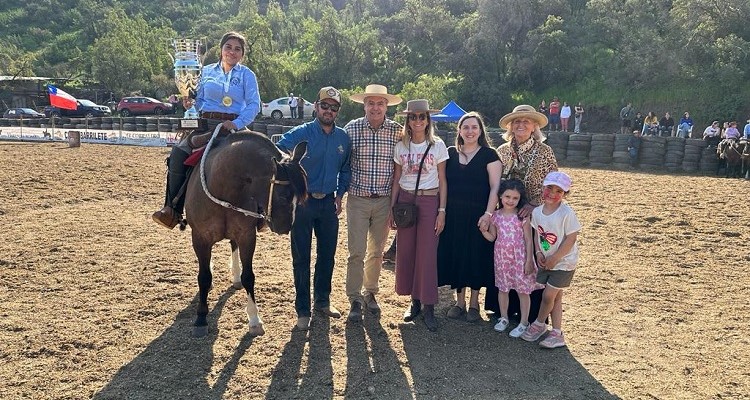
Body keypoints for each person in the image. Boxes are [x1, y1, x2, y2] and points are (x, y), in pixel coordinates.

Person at [152, 31, 261, 229]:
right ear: (221, 49)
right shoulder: (206, 72)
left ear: (242, 54)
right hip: (205, 124)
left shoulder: (247, 75)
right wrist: (190, 103)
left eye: (237, 49)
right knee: (177, 154)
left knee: (259, 158)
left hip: (234, 126)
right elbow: (199, 101)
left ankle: (260, 214)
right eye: (228, 47)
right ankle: (172, 209)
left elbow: (254, 105)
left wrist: (236, 123)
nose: (232, 52)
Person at [276, 86, 352, 331]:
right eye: (324, 106)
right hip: (304, 203)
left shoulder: (343, 138)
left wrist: (340, 194)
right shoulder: (302, 133)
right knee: (301, 257)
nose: (328, 110)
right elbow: (277, 151)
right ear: (316, 107)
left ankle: (322, 300)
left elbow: (347, 169)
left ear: (337, 111)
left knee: (327, 255)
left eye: (333, 107)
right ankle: (302, 310)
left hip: (329, 202)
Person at [485, 104, 558, 319]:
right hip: (506, 214)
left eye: (526, 121)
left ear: (534, 126)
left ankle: (530, 314)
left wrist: (535, 205)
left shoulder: (545, 152)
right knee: (505, 258)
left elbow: (553, 185)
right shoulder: (502, 151)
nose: (521, 124)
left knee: (529, 259)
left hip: (533, 214)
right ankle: (502, 310)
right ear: (510, 126)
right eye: (516, 121)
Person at [343, 84, 403, 322]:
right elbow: (344, 164)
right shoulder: (351, 129)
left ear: (386, 106)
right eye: (371, 103)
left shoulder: (398, 132)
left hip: (384, 200)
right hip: (358, 198)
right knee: (355, 252)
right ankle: (354, 298)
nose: (375, 108)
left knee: (377, 252)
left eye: (380, 103)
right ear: (364, 105)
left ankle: (370, 293)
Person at [390, 99, 448, 332]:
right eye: (412, 117)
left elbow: (443, 180)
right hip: (405, 201)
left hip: (429, 200)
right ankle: (413, 302)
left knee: (427, 254)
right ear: (407, 120)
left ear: (428, 119)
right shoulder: (400, 146)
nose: (417, 121)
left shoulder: (438, 146)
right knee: (407, 252)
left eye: (421, 117)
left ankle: (429, 306)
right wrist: (392, 209)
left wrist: (441, 211)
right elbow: (396, 180)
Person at [437, 112, 501, 323]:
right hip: (454, 214)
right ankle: (459, 302)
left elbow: (495, 188)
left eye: (474, 127)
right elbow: (442, 184)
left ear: (480, 131)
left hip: (479, 215)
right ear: (460, 131)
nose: (470, 131)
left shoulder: (489, 155)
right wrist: (442, 211)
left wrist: (488, 214)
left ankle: (474, 303)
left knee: (475, 256)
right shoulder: (450, 153)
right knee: (457, 254)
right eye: (466, 127)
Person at [521, 171, 581, 349]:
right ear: (543, 188)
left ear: (565, 194)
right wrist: (539, 253)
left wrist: (555, 257)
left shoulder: (566, 213)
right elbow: (538, 236)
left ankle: (539, 324)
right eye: (549, 188)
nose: (552, 194)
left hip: (564, 263)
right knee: (556, 297)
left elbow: (571, 238)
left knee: (548, 296)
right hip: (546, 260)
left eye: (558, 191)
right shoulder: (537, 212)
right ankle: (556, 332)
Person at [480, 179, 542, 337]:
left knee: (523, 291)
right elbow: (492, 237)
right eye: (507, 196)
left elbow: (528, 239)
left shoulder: (523, 217)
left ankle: (524, 322)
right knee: (503, 289)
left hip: (520, 258)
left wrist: (529, 260)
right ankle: (504, 318)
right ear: (500, 196)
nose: (510, 201)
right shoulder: (495, 216)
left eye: (515, 198)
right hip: (501, 258)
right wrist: (483, 231)